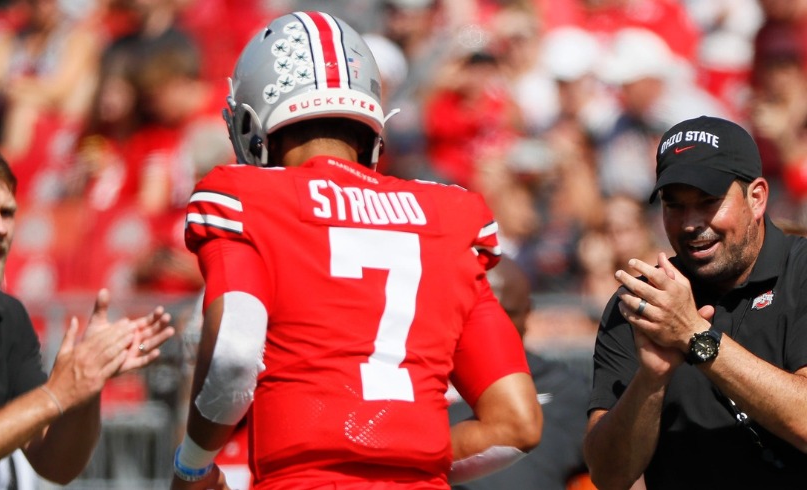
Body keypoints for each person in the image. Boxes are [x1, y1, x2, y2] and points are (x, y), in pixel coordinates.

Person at [170, 11, 541, 490]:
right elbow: (516, 423)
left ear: (250, 121)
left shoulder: (247, 197)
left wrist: (194, 464)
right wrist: (403, 450)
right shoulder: (450, 215)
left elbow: (235, 353)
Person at [0, 138, 175, 489]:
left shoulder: (7, 315)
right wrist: (55, 396)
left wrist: (87, 383)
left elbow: (54, 465)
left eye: (7, 213)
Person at [584, 115, 807, 489]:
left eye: (708, 202)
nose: (691, 223)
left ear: (756, 198)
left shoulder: (800, 272)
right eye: (674, 205)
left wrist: (693, 335)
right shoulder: (642, 302)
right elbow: (609, 476)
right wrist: (650, 381)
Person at [449, 257, 591, 490]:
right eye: (475, 315)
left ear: (528, 313)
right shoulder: (416, 383)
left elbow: (620, 473)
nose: (491, 328)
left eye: (506, 314)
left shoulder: (569, 390)